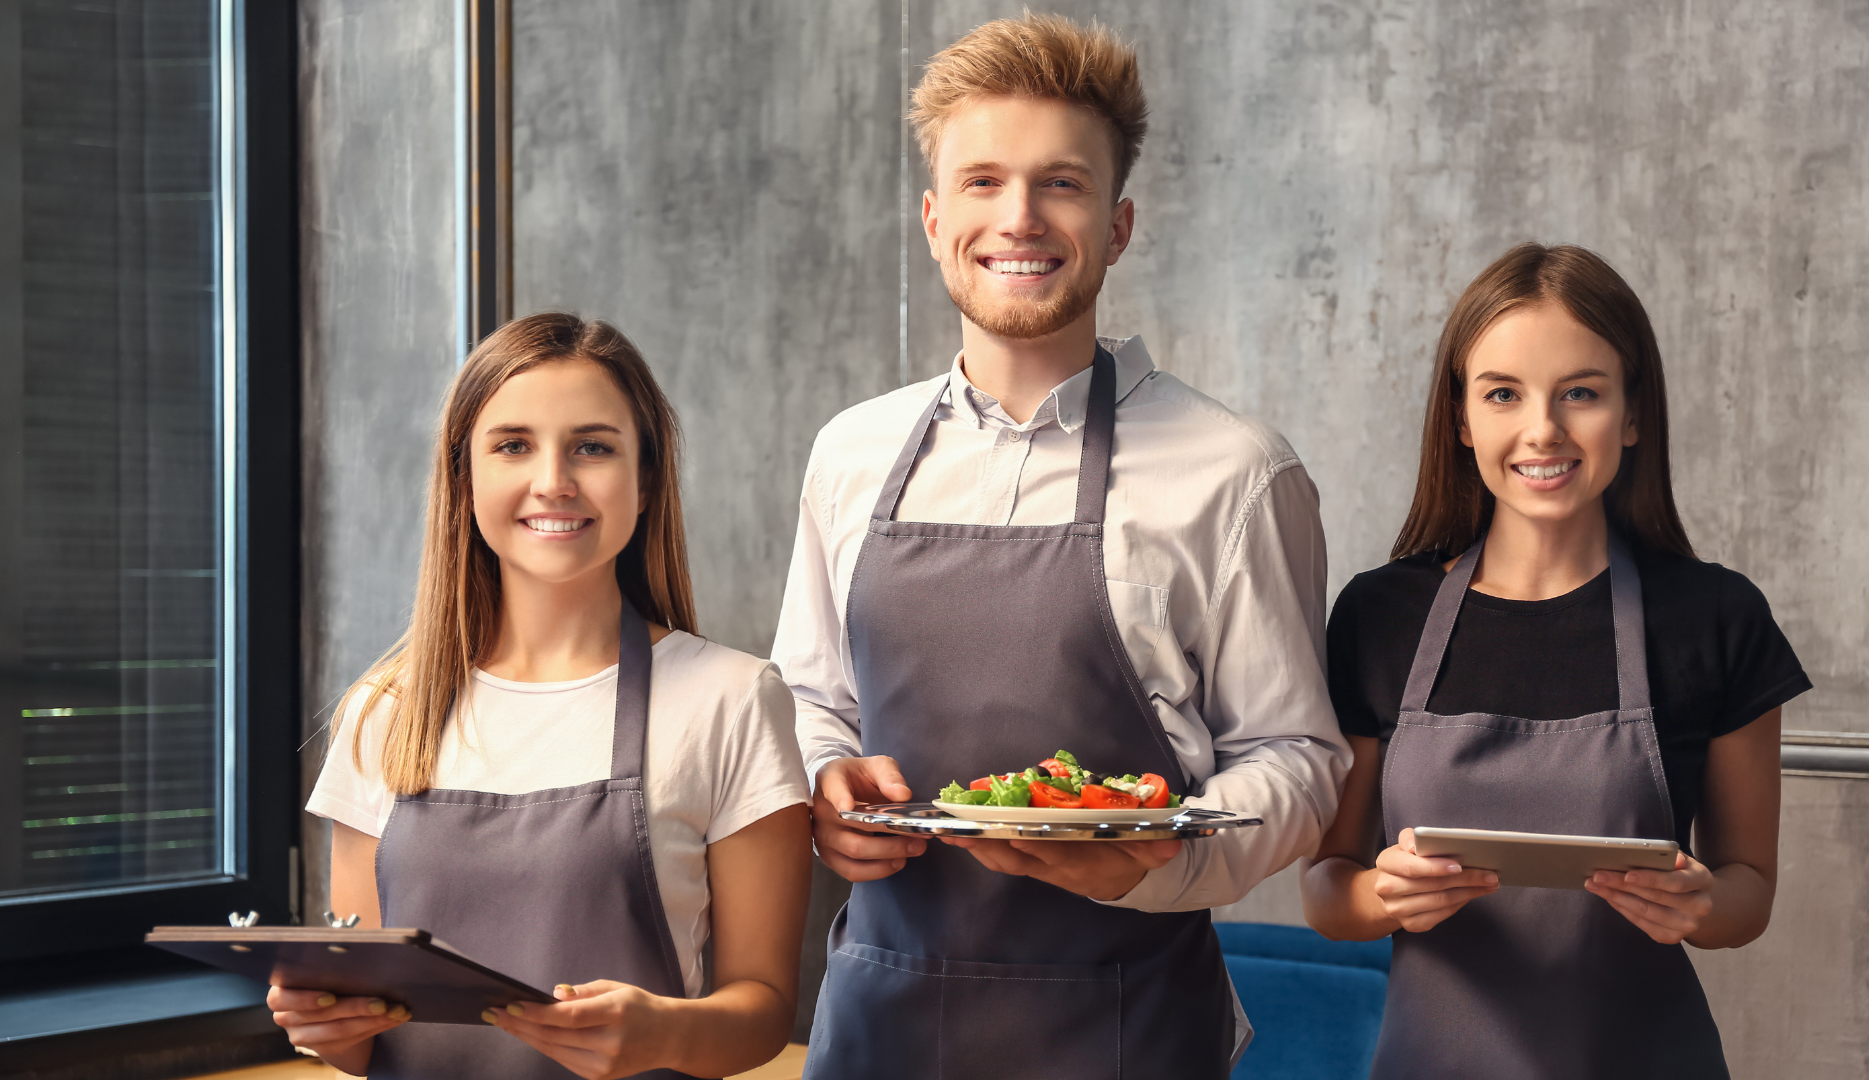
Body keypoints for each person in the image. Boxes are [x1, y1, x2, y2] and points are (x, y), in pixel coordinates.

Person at [773, 15, 1351, 1077]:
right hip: (878, 1018)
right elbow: (812, 700)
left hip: (1127, 1026)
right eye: (984, 182)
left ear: (1119, 223)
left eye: (1062, 185)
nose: (1021, 218)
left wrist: (1153, 866)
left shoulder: (1237, 473)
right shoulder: (851, 453)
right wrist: (825, 789)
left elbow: (1299, 761)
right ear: (934, 216)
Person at [1301, 243, 1810, 1078]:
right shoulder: (1378, 616)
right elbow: (1327, 884)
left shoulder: (1717, 618)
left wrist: (1703, 902)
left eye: (1582, 392)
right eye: (1504, 394)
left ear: (1633, 413)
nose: (1543, 429)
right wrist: (1376, 897)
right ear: (1462, 420)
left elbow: (1749, 888)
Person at [273, 314, 812, 1079]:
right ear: (464, 477)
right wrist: (325, 1028)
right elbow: (364, 1035)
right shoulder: (384, 710)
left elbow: (763, 1008)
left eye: (593, 446)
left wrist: (664, 1035)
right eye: (512, 446)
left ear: (646, 478)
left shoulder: (731, 698)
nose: (553, 480)